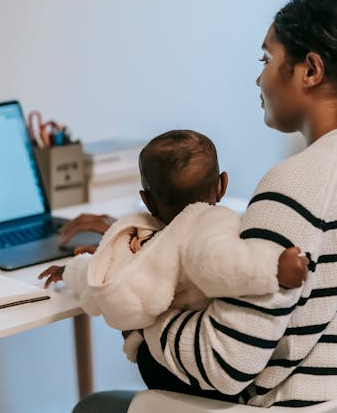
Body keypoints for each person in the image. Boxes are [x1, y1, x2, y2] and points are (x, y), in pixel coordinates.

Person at [69, 0, 337, 412]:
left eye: (267, 59)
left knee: (96, 407)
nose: (259, 77)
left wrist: (136, 296)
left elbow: (224, 364)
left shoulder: (298, 182)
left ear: (310, 70)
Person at [38, 130, 308, 362]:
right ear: (222, 185)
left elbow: (98, 280)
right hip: (188, 359)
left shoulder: (145, 246)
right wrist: (274, 268)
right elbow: (227, 264)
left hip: (167, 364)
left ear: (147, 201)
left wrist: (69, 270)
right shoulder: (212, 227)